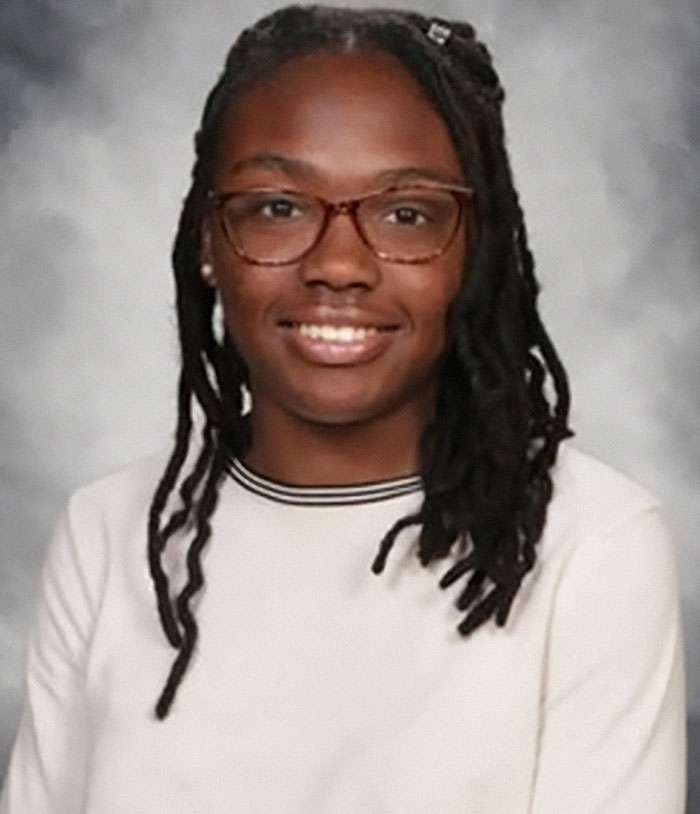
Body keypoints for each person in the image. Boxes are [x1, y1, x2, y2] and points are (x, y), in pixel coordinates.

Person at [0, 5, 686, 812]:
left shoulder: (593, 545)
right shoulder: (108, 533)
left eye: (406, 214)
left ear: (479, 250)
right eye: (279, 206)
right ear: (207, 244)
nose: (338, 265)